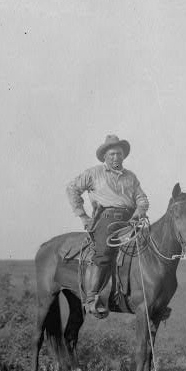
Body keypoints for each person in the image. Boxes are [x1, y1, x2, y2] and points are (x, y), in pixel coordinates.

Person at [66, 135, 149, 318]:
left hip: (130, 219)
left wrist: (138, 213)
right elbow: (72, 188)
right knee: (104, 253)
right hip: (106, 219)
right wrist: (82, 215)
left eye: (119, 154)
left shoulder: (131, 177)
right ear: (105, 156)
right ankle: (92, 297)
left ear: (123, 156)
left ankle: (151, 298)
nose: (116, 158)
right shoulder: (94, 173)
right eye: (112, 154)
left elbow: (142, 198)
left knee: (147, 247)